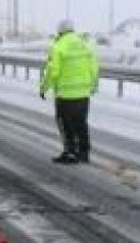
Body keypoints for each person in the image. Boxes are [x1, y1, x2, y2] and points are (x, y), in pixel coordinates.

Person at [39, 19, 100, 163]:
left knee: (65, 124)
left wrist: (43, 87)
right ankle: (84, 154)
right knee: (81, 123)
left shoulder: (58, 46)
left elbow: (53, 71)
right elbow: (94, 68)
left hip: (65, 95)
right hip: (83, 94)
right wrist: (93, 87)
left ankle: (70, 152)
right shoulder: (85, 44)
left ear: (60, 31)